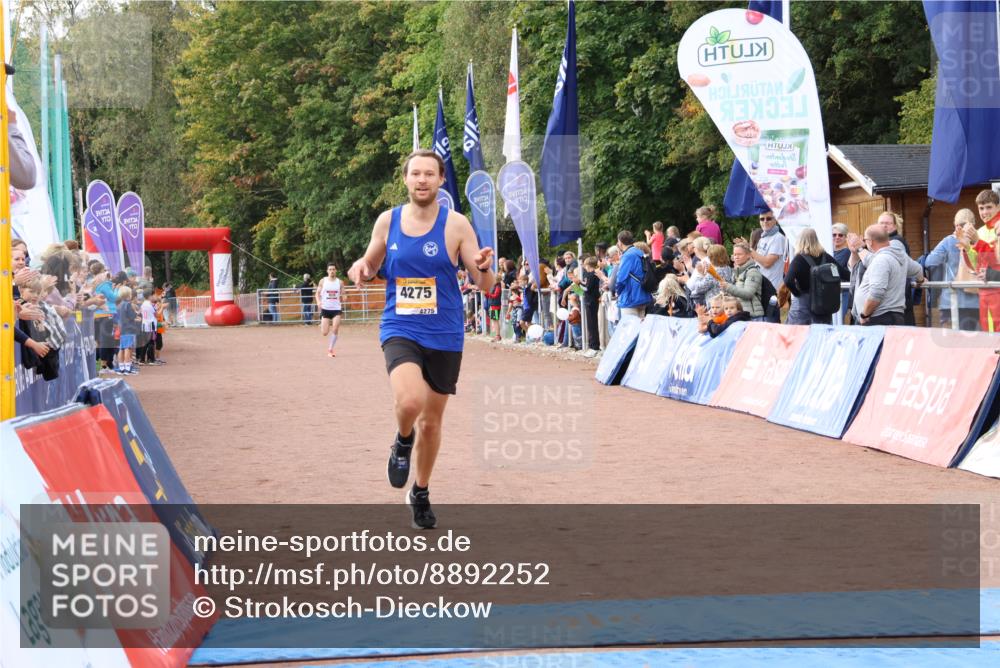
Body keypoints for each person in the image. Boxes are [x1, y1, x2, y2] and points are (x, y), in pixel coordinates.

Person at [348, 149, 494, 529]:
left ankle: (421, 491)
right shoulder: (388, 220)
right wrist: (360, 268)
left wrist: (485, 268)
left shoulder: (457, 225)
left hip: (445, 332)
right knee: (410, 401)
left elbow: (484, 284)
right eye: (416, 173)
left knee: (432, 423)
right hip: (400, 327)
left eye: (430, 173)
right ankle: (401, 440)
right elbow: (369, 263)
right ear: (406, 179)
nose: (422, 180)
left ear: (441, 180)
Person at [853, 225, 924, 326]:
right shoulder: (900, 255)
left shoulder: (881, 260)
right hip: (892, 317)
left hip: (878, 318)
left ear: (870, 241)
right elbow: (918, 269)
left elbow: (876, 294)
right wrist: (920, 280)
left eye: (865, 240)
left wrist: (864, 315)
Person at [925, 209, 980, 331]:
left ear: (955, 224)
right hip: (976, 302)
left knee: (953, 343)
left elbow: (930, 262)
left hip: (950, 301)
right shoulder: (980, 240)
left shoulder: (948, 241)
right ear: (974, 223)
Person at [783, 228, 849, 325]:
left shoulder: (799, 259)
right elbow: (845, 274)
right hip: (823, 305)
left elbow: (788, 280)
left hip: (803, 307)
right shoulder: (826, 257)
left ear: (800, 241)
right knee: (821, 337)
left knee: (799, 336)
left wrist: (797, 293)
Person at [963, 189, 1000, 331]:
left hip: (997, 289)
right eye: (981, 208)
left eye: (989, 207)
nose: (984, 212)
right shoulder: (979, 231)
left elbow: (997, 260)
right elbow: (975, 266)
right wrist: (966, 248)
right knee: (988, 336)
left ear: (998, 206)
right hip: (985, 291)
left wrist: (977, 242)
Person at [877, 212, 916, 325]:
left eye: (887, 223)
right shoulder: (882, 241)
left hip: (896, 296)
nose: (884, 226)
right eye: (881, 223)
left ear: (894, 226)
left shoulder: (895, 242)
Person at [719, 242, 765, 319]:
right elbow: (736, 294)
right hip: (741, 314)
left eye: (739, 254)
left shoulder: (752, 272)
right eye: (734, 254)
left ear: (748, 255)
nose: (736, 257)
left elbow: (748, 293)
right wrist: (725, 290)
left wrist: (728, 287)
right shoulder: (738, 272)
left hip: (752, 316)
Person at [614, 230, 652, 319]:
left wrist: (617, 292)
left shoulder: (627, 255)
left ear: (620, 242)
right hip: (643, 296)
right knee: (640, 329)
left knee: (630, 331)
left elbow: (621, 278)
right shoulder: (640, 253)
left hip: (630, 298)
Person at [316, 263, 343, 357]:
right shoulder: (322, 281)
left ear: (336, 271)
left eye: (333, 269)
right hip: (325, 309)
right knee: (324, 333)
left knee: (335, 328)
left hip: (336, 309)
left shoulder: (340, 282)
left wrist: (345, 296)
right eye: (330, 269)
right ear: (327, 271)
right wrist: (318, 302)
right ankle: (322, 321)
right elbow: (317, 294)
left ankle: (330, 349)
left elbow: (344, 293)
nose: (332, 271)